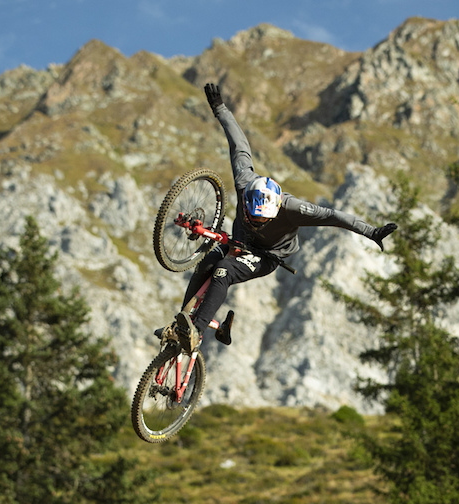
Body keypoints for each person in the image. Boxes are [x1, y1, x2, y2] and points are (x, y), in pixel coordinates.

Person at [167, 82, 398, 353]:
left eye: (260, 219)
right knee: (206, 263)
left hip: (267, 256)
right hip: (238, 243)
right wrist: (220, 108)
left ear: (274, 211)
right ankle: (180, 325)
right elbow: (239, 144)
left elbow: (335, 216)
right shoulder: (245, 182)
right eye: (250, 215)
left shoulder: (293, 209)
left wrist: (371, 232)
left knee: (223, 271)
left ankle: (196, 332)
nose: (254, 221)